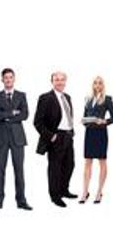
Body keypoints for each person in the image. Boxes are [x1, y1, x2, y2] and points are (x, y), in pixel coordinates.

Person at [0, 67, 28, 211]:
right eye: (6, 77)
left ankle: (21, 201)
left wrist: (6, 115)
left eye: (11, 77)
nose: (8, 80)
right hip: (1, 138)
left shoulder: (21, 95)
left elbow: (25, 114)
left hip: (18, 138)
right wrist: (12, 112)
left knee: (19, 170)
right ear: (2, 79)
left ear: (14, 79)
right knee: (0, 170)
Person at [36, 72, 78, 206]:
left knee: (70, 165)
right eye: (56, 80)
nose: (59, 82)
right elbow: (38, 122)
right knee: (55, 168)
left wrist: (72, 131)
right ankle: (55, 196)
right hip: (56, 136)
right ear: (52, 82)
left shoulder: (67, 97)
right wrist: (51, 136)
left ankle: (64, 190)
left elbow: (68, 116)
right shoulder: (46, 98)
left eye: (62, 80)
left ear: (65, 81)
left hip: (68, 135)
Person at [80, 77, 113, 203]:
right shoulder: (88, 99)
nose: (97, 85)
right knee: (87, 162)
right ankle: (85, 192)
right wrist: (84, 121)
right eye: (95, 83)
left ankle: (99, 192)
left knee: (102, 162)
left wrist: (104, 121)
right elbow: (85, 116)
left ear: (103, 85)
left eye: (100, 83)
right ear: (92, 85)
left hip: (101, 133)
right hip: (89, 132)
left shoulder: (107, 99)